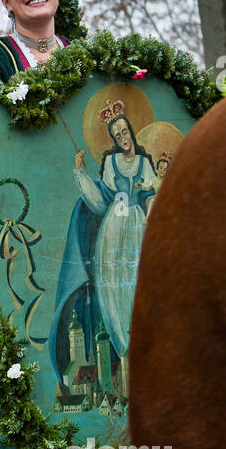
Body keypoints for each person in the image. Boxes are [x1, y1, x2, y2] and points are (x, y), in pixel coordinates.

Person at [49, 113, 156, 383]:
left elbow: (154, 196)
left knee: (139, 286)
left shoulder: (144, 164)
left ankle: (146, 351)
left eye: (125, 131)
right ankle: (125, 349)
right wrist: (79, 171)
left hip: (137, 229)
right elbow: (99, 201)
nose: (123, 138)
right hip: (113, 233)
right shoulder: (111, 163)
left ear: (131, 131)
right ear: (114, 140)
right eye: (117, 135)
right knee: (115, 289)